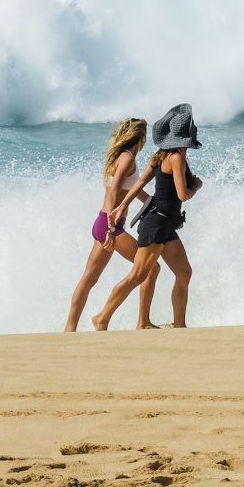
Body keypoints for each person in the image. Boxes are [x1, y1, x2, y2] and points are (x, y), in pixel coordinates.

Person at [93, 103, 203, 330]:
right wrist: (196, 187)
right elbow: (183, 194)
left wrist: (123, 204)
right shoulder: (177, 158)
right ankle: (102, 317)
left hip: (163, 223)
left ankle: (179, 325)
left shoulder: (160, 155)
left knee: (184, 271)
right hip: (157, 224)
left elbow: (141, 182)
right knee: (137, 275)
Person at [63, 117, 160, 332]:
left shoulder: (122, 157)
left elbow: (134, 193)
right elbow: (115, 191)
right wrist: (109, 227)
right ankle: (139, 322)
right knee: (151, 267)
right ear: (141, 138)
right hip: (110, 226)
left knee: (89, 278)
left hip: (104, 222)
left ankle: (69, 330)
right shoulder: (127, 158)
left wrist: (160, 207)